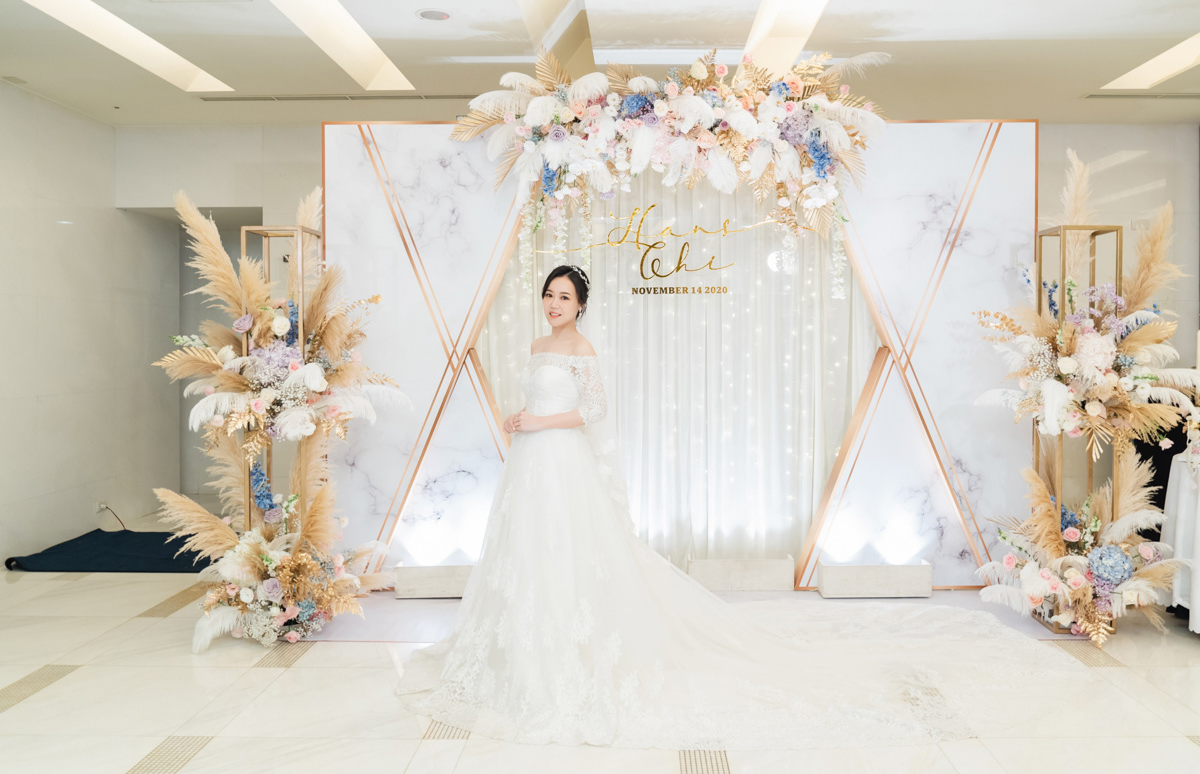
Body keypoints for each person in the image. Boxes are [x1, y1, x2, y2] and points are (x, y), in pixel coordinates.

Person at [394, 265, 1085, 750]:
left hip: (560, 461)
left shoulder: (581, 347)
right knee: (527, 557)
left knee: (573, 554)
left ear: (581, 305)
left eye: (564, 297)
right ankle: (520, 651)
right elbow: (544, 402)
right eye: (548, 294)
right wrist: (519, 419)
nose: (553, 304)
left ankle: (575, 652)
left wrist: (538, 422)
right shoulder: (538, 344)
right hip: (531, 466)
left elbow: (593, 411)